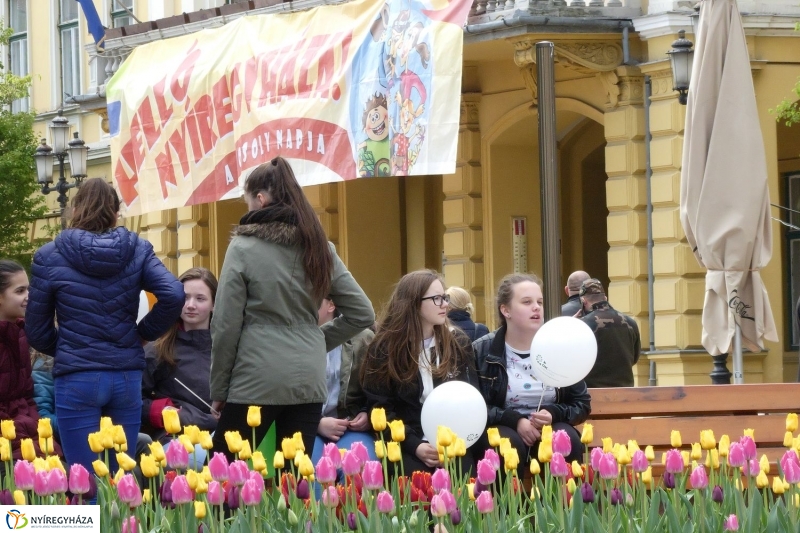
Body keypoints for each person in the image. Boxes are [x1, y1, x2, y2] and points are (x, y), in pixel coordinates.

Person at [210, 157, 374, 459]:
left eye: (247, 203)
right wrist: (314, 341)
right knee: (294, 481)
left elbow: (225, 325)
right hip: (306, 379)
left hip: (255, 377)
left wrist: (219, 388)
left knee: (224, 477)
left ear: (260, 199)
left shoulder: (243, 247)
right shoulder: (319, 246)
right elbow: (363, 313)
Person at [25, 178, 185, 472]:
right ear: (115, 212)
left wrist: (67, 347)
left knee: (84, 481)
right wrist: (142, 334)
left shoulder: (49, 256)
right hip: (125, 374)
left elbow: (36, 330)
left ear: (74, 210)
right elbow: (174, 294)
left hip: (77, 377)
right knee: (120, 477)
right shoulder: (137, 249)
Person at [360, 270, 477, 475]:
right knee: (414, 482)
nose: (445, 305)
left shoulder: (457, 343)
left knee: (464, 482)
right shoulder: (384, 349)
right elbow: (381, 410)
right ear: (413, 303)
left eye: (445, 298)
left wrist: (451, 444)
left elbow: (470, 400)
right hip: (405, 441)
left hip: (453, 441)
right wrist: (416, 445)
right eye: (436, 298)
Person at [474, 273, 590, 478]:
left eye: (539, 302)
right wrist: (515, 420)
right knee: (507, 444)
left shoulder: (559, 347)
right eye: (527, 302)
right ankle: (507, 509)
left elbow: (581, 404)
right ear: (506, 310)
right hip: (504, 428)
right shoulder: (482, 350)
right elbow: (475, 407)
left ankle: (562, 508)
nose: (536, 307)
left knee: (565, 439)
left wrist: (553, 413)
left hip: (548, 427)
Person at [142, 267, 218, 468]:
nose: (191, 305)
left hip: (220, 435)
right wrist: (163, 411)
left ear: (214, 304)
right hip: (174, 439)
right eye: (185, 298)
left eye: (200, 299)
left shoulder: (228, 348)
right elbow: (130, 398)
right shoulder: (158, 349)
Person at [311, 296, 376, 494]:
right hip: (309, 426)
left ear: (331, 305)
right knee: (312, 473)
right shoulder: (295, 340)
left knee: (361, 469)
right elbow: (285, 394)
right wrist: (317, 422)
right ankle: (314, 523)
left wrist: (367, 413)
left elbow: (377, 390)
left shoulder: (363, 339)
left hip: (350, 426)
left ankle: (354, 523)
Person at [0, 260, 61, 461]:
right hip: (8, 444)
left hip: (27, 435)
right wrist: (25, 442)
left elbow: (27, 397)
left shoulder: (21, 335)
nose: (29, 297)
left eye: (29, 289)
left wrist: (39, 436)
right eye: (20, 291)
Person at [579, 278, 641, 388]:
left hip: (593, 393)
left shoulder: (583, 325)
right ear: (605, 298)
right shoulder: (630, 323)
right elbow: (635, 357)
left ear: (583, 301)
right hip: (625, 392)